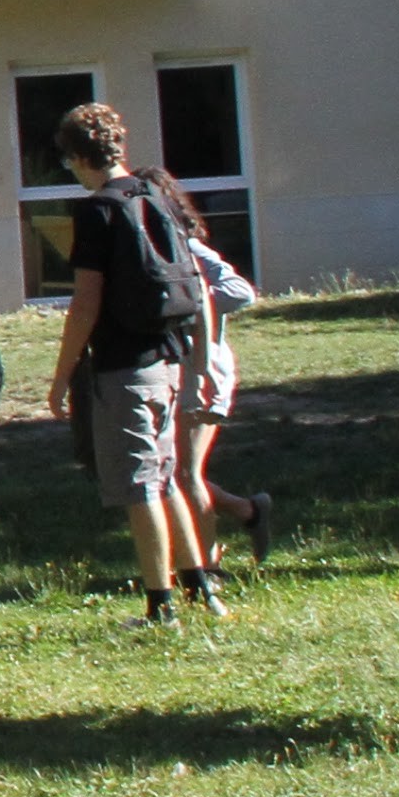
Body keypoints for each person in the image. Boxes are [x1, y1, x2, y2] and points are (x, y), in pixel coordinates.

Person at [45, 102, 210, 625]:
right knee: (166, 476)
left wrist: (63, 375)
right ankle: (200, 588)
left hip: (125, 368)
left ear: (78, 157)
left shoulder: (98, 211)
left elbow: (85, 303)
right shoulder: (153, 194)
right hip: (169, 357)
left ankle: (161, 605)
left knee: (140, 487)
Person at [159, 181, 274, 577]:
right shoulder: (150, 250)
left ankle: (206, 570)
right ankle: (248, 510)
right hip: (169, 374)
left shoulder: (189, 248)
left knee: (183, 474)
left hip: (202, 375)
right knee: (167, 472)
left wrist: (187, 306)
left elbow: (240, 292)